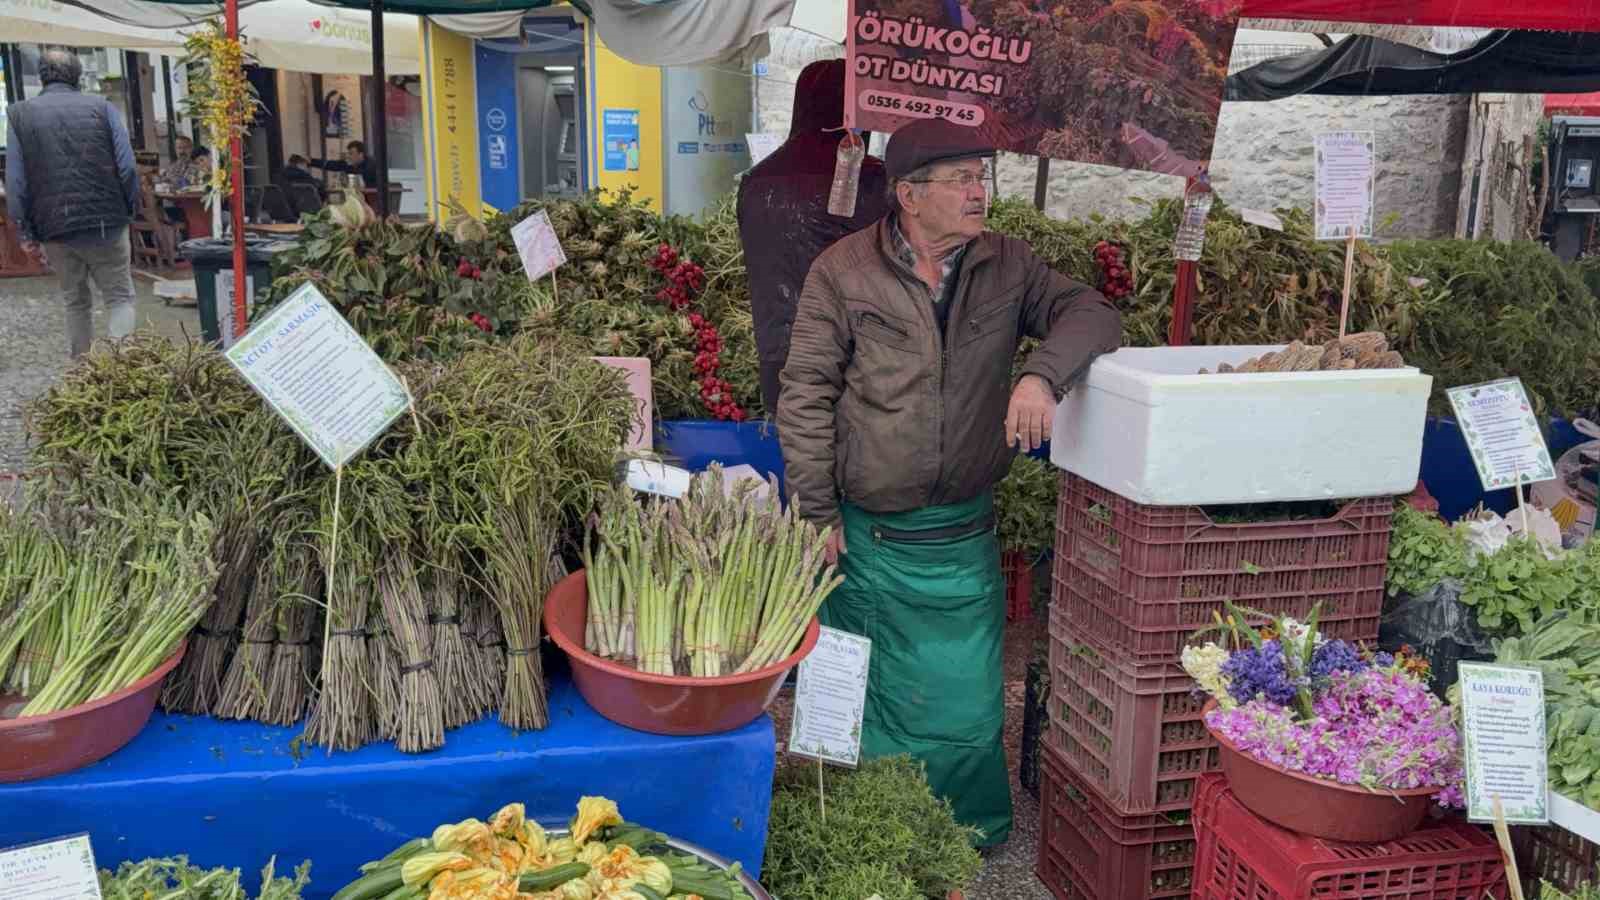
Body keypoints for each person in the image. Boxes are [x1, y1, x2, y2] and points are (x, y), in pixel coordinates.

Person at [776, 118, 1122, 847]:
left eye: (980, 178)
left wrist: (1040, 374)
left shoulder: (1009, 265)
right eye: (961, 180)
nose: (978, 193)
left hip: (960, 537)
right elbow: (804, 391)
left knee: (964, 706)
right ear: (908, 195)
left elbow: (1093, 312)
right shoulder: (843, 272)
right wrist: (814, 511)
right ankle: (849, 832)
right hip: (866, 535)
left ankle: (958, 833)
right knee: (853, 698)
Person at [736, 59, 890, 413]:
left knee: (802, 459)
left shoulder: (755, 182)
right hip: (859, 367)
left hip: (780, 362)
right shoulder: (875, 180)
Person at [5, 48, 140, 358]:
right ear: (78, 76)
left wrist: (25, 231)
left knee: (75, 300)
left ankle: (82, 373)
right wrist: (128, 208)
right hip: (107, 221)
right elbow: (127, 166)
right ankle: (121, 372)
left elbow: (16, 181)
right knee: (120, 297)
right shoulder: (102, 108)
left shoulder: (19, 115)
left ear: (41, 75)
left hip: (55, 228)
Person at [311, 140, 378, 187]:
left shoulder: (371, 164)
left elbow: (362, 174)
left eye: (351, 153)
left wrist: (351, 167)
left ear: (361, 154)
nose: (349, 156)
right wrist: (311, 161)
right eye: (348, 153)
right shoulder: (350, 164)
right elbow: (332, 165)